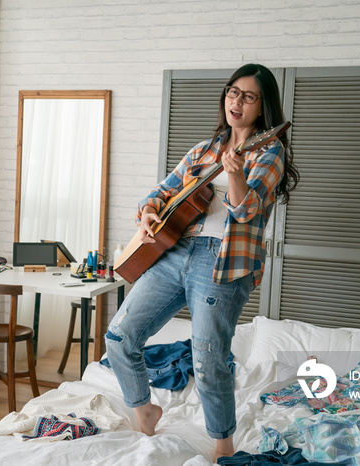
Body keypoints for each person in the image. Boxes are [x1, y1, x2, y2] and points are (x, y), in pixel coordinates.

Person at [104, 63, 299, 461]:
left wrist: (237, 175)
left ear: (263, 107)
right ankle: (145, 408)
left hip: (222, 261)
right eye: (232, 92)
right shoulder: (204, 149)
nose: (237, 101)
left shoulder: (271, 151)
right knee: (119, 337)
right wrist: (147, 215)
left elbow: (246, 210)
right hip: (173, 251)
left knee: (208, 357)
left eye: (248, 96)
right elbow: (158, 195)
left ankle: (223, 444)